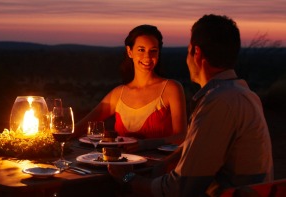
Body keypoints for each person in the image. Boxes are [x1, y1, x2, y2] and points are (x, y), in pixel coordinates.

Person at [108, 14, 274, 196]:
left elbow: (179, 189)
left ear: (196, 53)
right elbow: (204, 153)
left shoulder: (219, 103)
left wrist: (126, 178)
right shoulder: (244, 94)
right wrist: (163, 164)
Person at [74, 24, 187, 152]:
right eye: (141, 50)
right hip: (123, 169)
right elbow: (81, 126)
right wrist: (51, 136)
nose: (147, 57)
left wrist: (145, 144)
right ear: (130, 52)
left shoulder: (171, 88)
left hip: (160, 167)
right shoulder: (118, 94)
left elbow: (182, 136)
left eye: (153, 50)